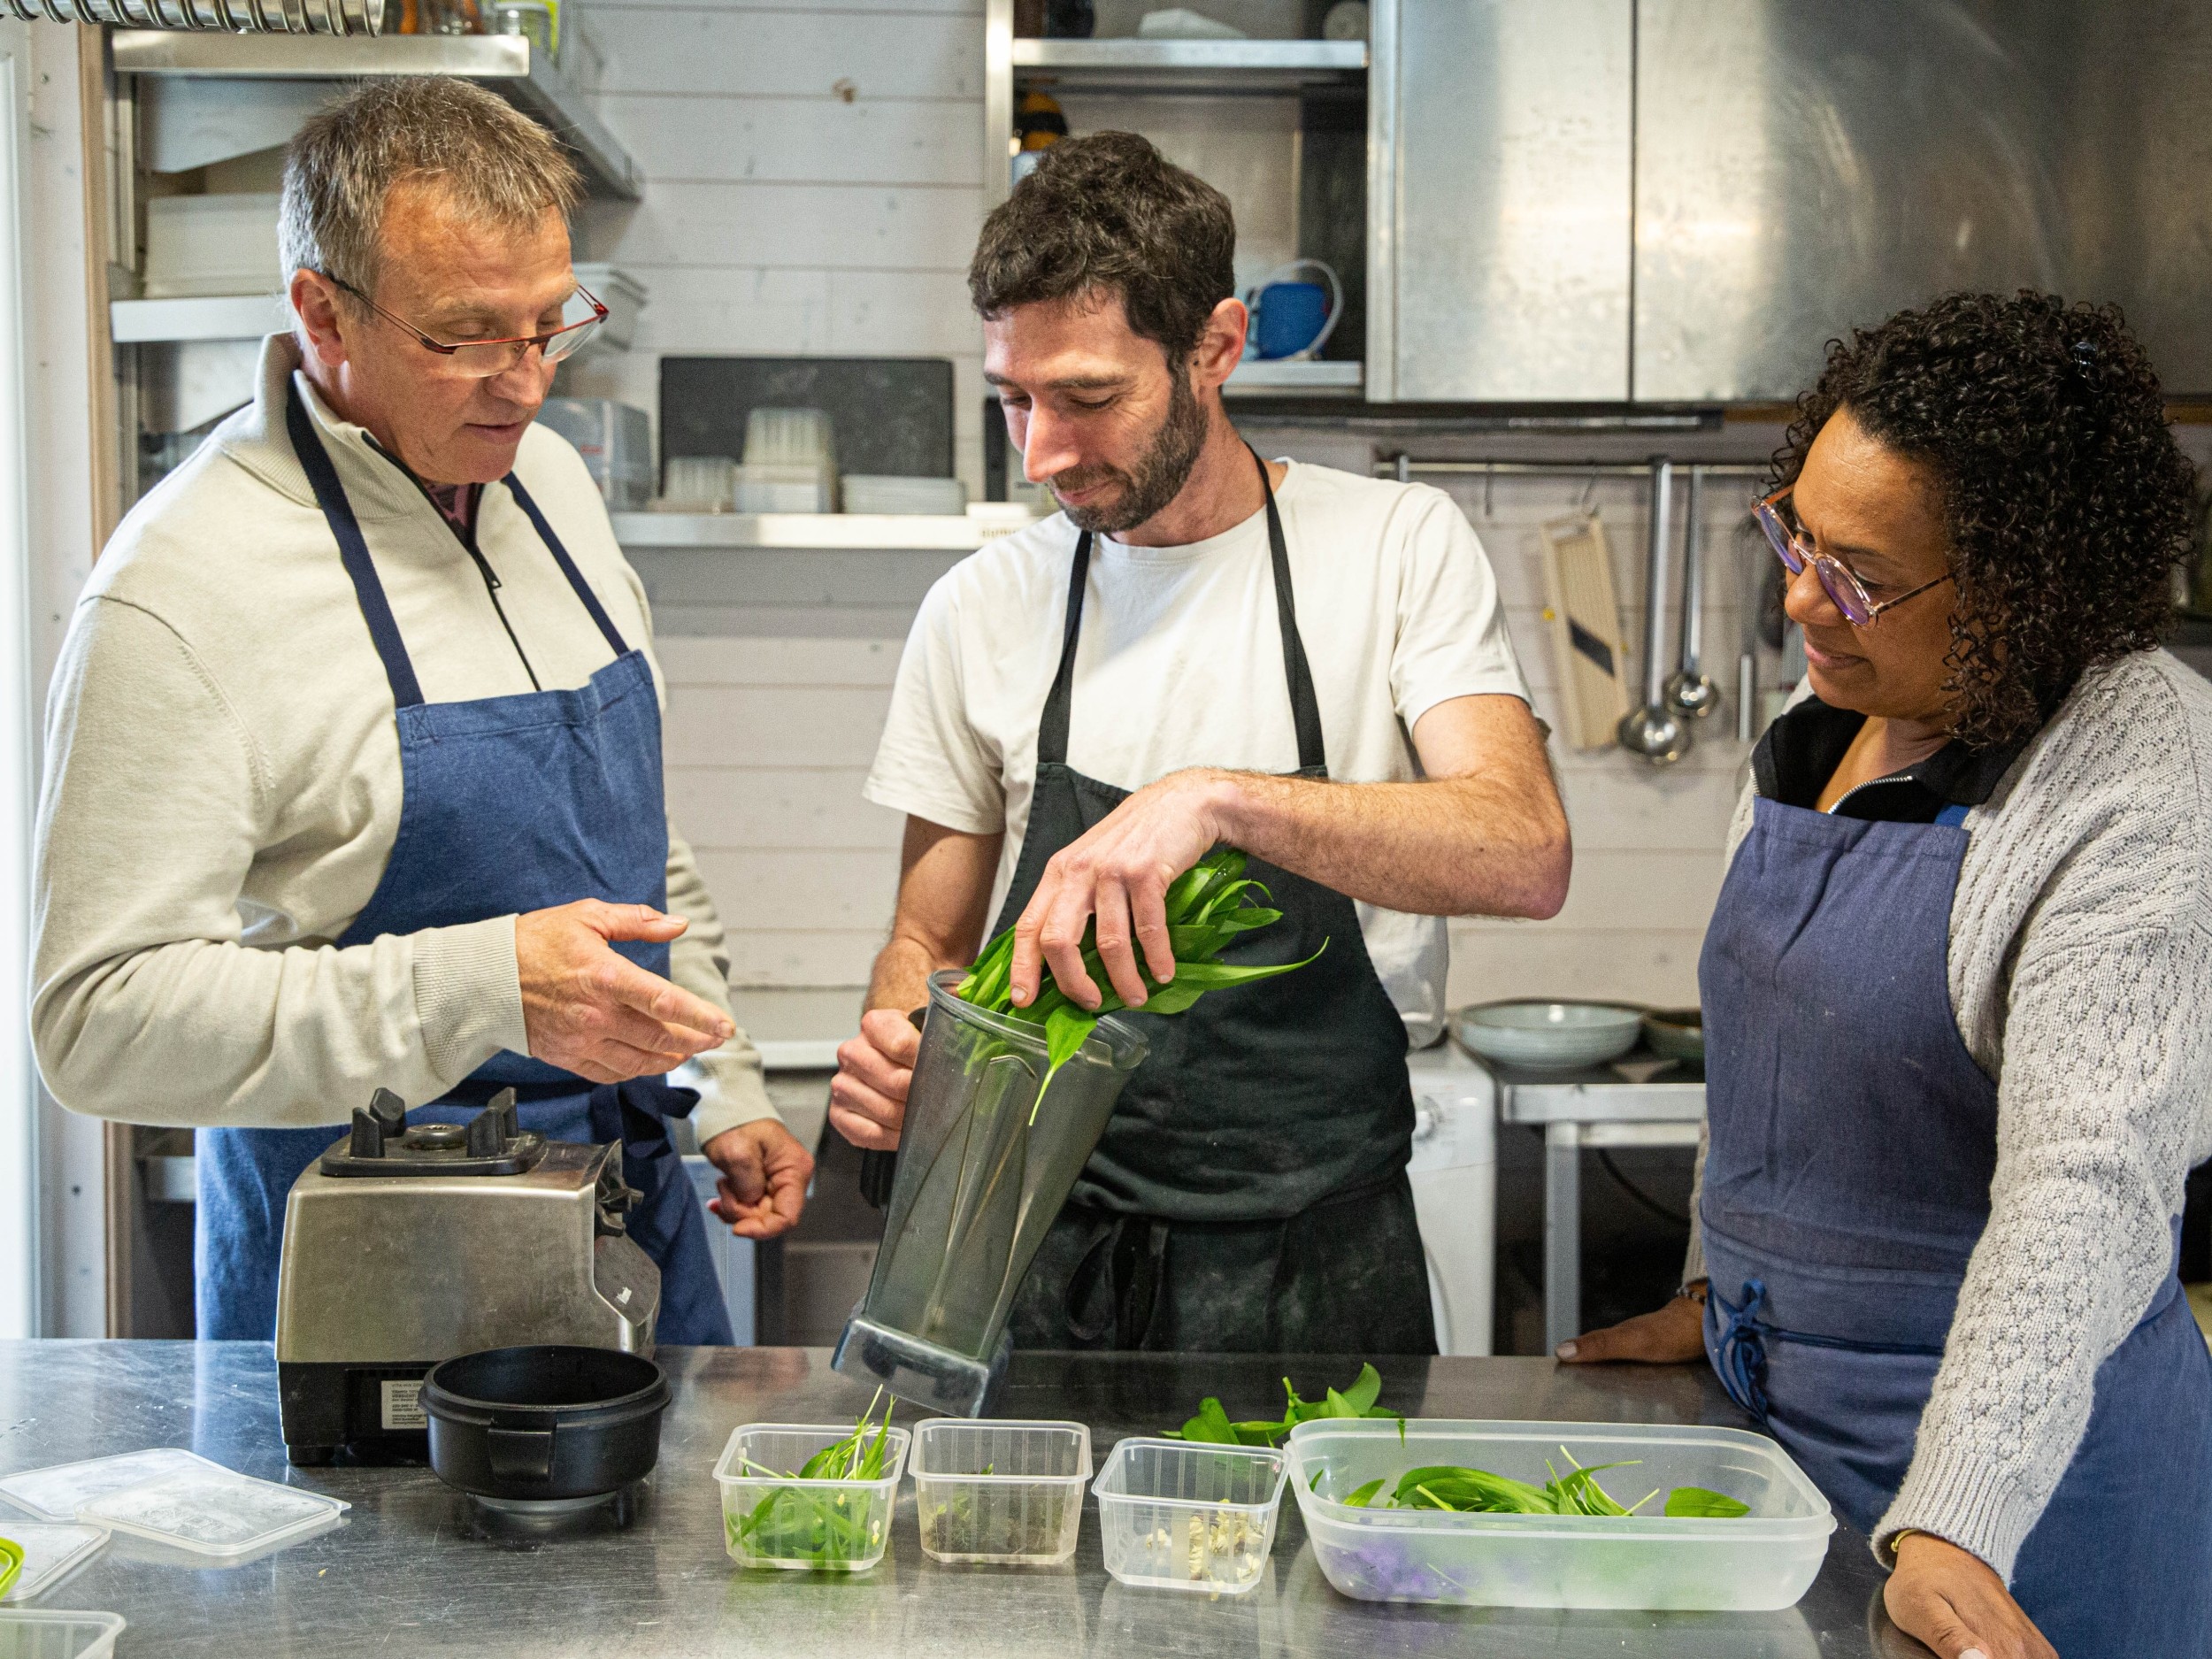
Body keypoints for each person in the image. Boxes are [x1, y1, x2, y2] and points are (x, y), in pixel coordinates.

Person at [30, 79, 813, 1345]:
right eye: (465, 336)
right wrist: (479, 986)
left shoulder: (548, 485)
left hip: (623, 1218)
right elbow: (95, 1023)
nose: (525, 383)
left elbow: (625, 843)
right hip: (363, 1278)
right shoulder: (183, 589)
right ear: (320, 311)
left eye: (550, 323)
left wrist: (714, 1082)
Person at [831, 133, 1570, 1355]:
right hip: (1042, 1259)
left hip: (1319, 1263)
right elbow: (929, 937)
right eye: (1016, 399)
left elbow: (1521, 848)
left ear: (1216, 348)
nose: (1042, 454)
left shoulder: (1393, 547)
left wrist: (1217, 801)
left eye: (1087, 398)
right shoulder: (981, 607)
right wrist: (912, 1066)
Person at [1561, 292, 2212, 1659]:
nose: (1800, 595)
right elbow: (1767, 1060)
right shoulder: (1830, 716)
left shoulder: (2141, 772)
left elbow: (2087, 1187)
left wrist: (1961, 1517)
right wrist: (1717, 1283)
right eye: (1795, 533)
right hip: (1778, 1451)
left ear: (2027, 585)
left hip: (2026, 1502)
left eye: (1857, 573)